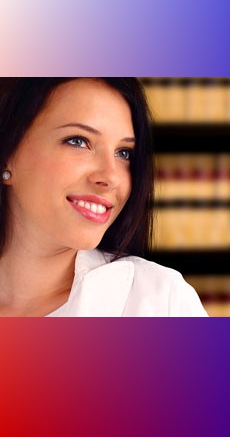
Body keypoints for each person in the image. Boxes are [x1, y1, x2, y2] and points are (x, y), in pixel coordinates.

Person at [0, 78, 207, 316]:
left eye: (124, 153)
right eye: (78, 141)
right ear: (7, 154)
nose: (111, 177)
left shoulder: (160, 302)